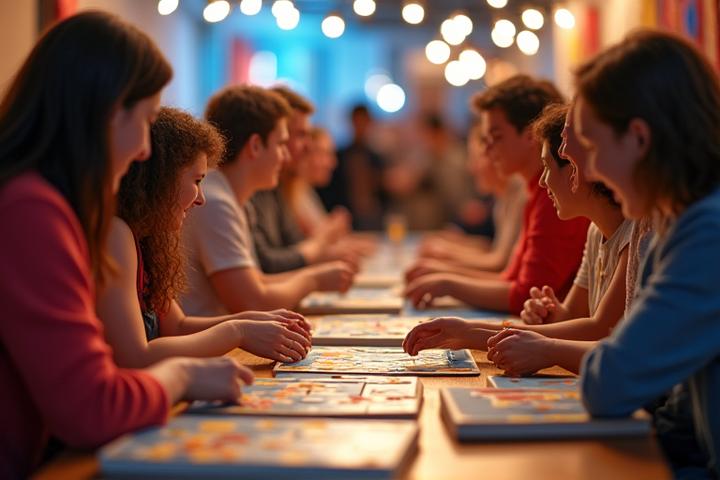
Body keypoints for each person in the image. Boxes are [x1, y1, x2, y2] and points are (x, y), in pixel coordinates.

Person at [0, 12, 252, 478]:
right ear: (108, 111)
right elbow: (91, 407)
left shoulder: (43, 202)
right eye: (146, 120)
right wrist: (182, 376)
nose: (143, 150)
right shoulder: (28, 209)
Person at [570, 30, 720, 477]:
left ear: (639, 138)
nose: (591, 169)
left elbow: (609, 382)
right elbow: (671, 405)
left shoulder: (707, 231)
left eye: (594, 147)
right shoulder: (680, 221)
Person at [403, 103, 630, 364]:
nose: (544, 180)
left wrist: (471, 331)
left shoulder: (635, 228)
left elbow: (600, 330)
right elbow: (574, 317)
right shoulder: (593, 229)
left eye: (495, 138)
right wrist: (552, 317)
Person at [97, 107, 312, 368]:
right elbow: (135, 356)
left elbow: (177, 326)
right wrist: (237, 331)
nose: (201, 198)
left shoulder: (146, 238)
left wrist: (251, 321)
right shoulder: (117, 233)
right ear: (160, 180)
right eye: (196, 180)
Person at [404, 75, 589, 314]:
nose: (488, 149)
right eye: (486, 139)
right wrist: (444, 278)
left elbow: (525, 293)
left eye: (496, 137)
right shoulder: (537, 191)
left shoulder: (553, 197)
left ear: (531, 135)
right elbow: (509, 276)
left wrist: (448, 282)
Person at [180, 85, 356, 317]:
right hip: (207, 350)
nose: (285, 156)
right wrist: (313, 279)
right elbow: (252, 301)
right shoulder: (215, 202)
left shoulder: (231, 197)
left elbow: (258, 281)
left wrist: (320, 274)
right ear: (254, 146)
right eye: (281, 144)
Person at [249, 86, 359, 274]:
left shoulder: (275, 187)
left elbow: (295, 245)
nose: (308, 146)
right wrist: (323, 241)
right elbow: (268, 265)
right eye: (300, 135)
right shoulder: (256, 189)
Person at [407, 119, 526, 277]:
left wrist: (445, 265)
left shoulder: (521, 195)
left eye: (476, 158)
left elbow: (501, 264)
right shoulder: (504, 199)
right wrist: (453, 246)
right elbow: (493, 248)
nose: (471, 168)